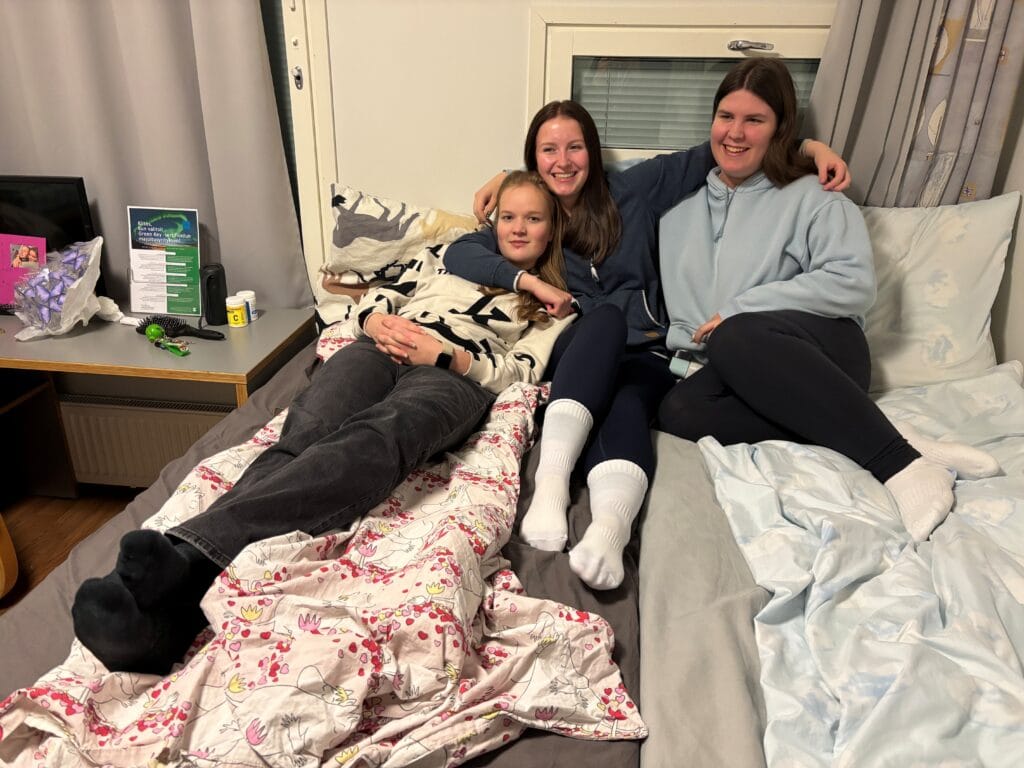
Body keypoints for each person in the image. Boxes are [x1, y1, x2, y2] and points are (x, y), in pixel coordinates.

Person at [71, 171, 576, 674]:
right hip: (377, 348)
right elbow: (379, 298)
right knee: (307, 432)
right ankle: (177, 597)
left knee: (376, 438)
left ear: (551, 229)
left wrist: (445, 356)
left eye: (533, 219)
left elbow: (520, 371)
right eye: (509, 216)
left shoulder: (552, 303)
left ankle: (184, 565)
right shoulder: (446, 256)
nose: (518, 228)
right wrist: (375, 321)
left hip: (451, 375)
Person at [444, 99, 850, 590]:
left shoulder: (634, 188)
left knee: (631, 403)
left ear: (593, 151)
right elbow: (459, 252)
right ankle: (551, 486)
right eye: (549, 150)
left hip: (650, 350)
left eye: (575, 147)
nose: (563, 161)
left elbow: (722, 148)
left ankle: (610, 530)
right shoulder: (535, 213)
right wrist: (532, 281)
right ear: (534, 158)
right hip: (580, 350)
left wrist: (809, 147)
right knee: (605, 320)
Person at [656, 57, 999, 543]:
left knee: (736, 334)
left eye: (755, 120)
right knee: (678, 412)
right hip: (741, 373)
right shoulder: (677, 209)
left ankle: (900, 464)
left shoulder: (815, 196)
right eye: (726, 116)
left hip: (825, 355)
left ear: (780, 130)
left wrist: (739, 307)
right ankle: (878, 431)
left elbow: (853, 283)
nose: (735, 133)